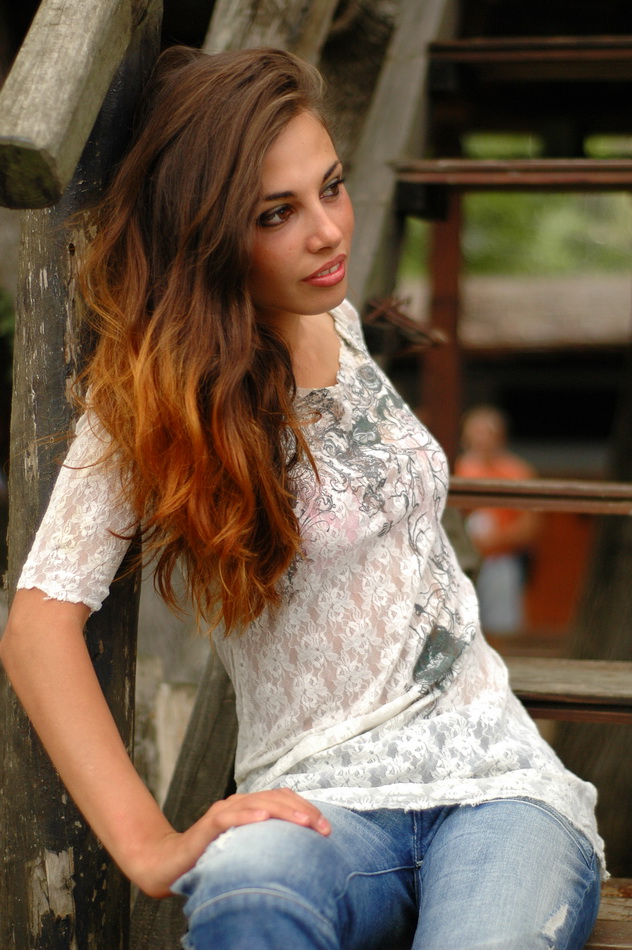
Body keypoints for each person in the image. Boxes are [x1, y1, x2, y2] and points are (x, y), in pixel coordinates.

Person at [1, 47, 603, 950]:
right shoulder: (154, 404)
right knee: (245, 896)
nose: (328, 232)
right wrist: (150, 848)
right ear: (206, 235)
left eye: (331, 187)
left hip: (495, 783)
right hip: (317, 803)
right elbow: (38, 628)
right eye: (277, 213)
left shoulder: (340, 321)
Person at [455, 406, 541, 635]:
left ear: (500, 436)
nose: (480, 439)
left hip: (500, 561)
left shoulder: (517, 472)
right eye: (475, 433)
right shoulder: (457, 470)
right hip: (459, 562)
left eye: (486, 433)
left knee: (502, 630)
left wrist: (496, 538)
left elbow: (530, 526)